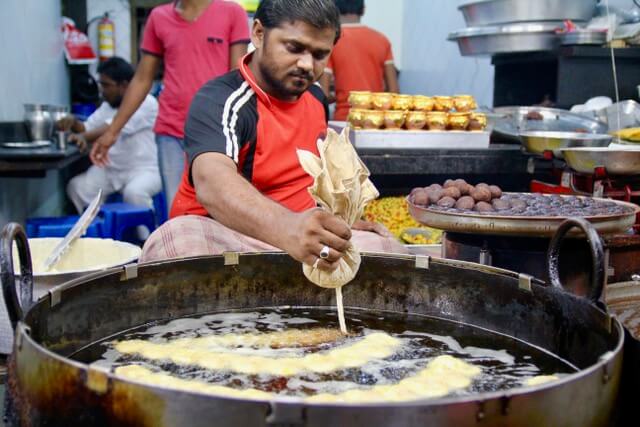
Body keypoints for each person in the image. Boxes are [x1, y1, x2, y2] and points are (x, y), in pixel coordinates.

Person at [140, 0, 406, 268]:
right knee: (175, 241)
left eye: (319, 55)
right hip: (234, 242)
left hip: (303, 241)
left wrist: (333, 223)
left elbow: (310, 182)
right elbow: (213, 184)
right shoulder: (221, 99)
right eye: (294, 48)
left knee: (388, 250)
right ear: (258, 33)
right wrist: (289, 229)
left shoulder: (315, 98)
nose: (306, 64)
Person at [90, 0, 250, 212]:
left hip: (216, 132)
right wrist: (112, 132)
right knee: (178, 211)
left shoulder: (232, 13)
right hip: (171, 131)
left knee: (219, 209)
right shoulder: (159, 17)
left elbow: (237, 78)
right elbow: (141, 80)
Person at [61, 57, 161, 239]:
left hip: (145, 170)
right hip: (111, 170)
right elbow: (88, 127)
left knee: (135, 192)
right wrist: (73, 123)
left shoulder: (147, 103)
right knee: (77, 187)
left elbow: (112, 127)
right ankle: (96, 234)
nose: (102, 91)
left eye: (106, 85)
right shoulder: (108, 106)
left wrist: (82, 137)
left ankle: (146, 243)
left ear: (123, 85)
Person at [319, 0, 399, 121]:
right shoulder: (382, 40)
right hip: (375, 120)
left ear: (335, 10)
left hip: (345, 118)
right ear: (363, 10)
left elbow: (323, 93)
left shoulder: (331, 41)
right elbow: (394, 91)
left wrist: (339, 97)